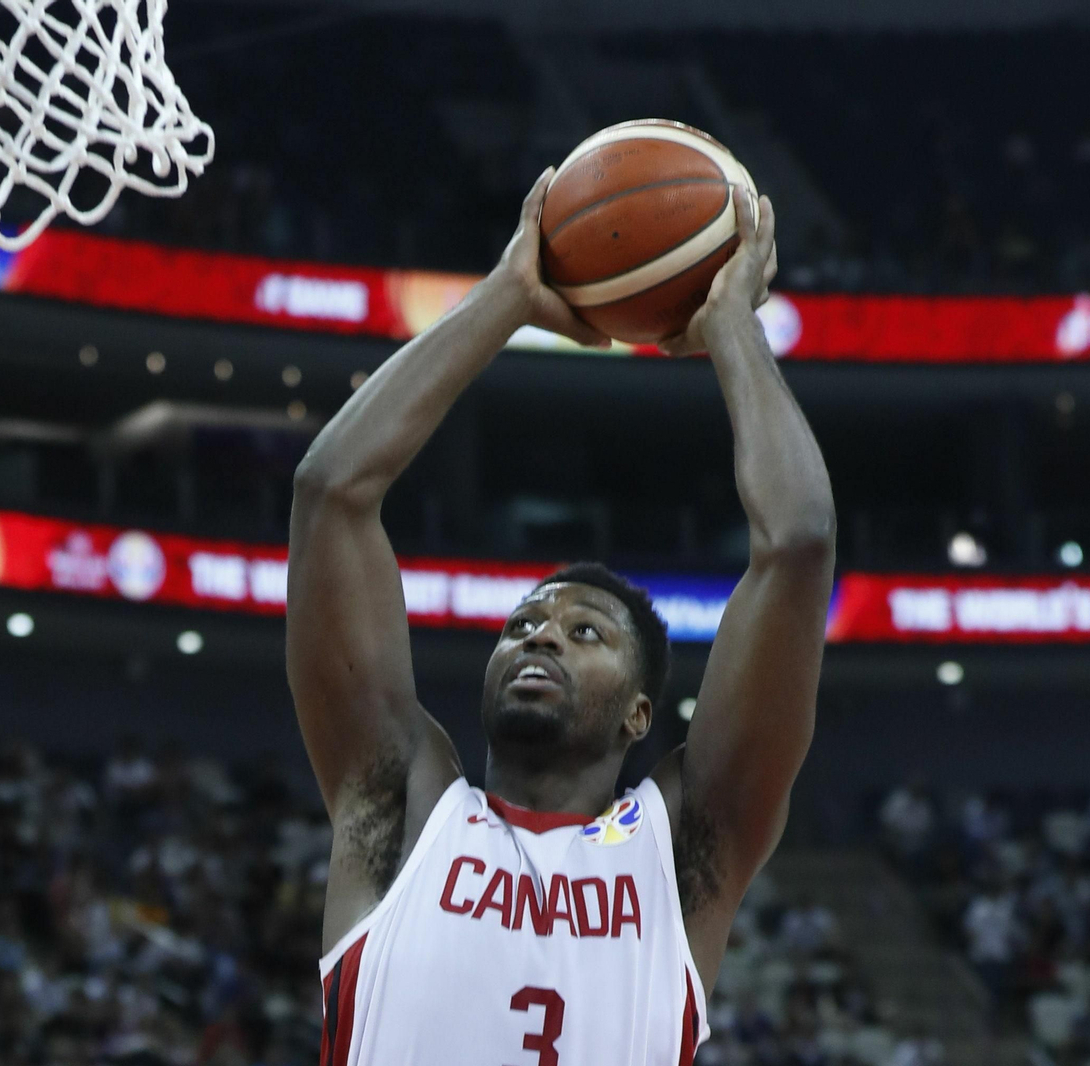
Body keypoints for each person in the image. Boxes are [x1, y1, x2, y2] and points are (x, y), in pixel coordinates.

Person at [286, 168, 834, 1065]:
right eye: (525, 625)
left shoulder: (687, 844)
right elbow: (330, 493)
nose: (539, 633)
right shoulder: (402, 806)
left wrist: (731, 323)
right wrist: (508, 298)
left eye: (587, 634)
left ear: (639, 714)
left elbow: (798, 543)